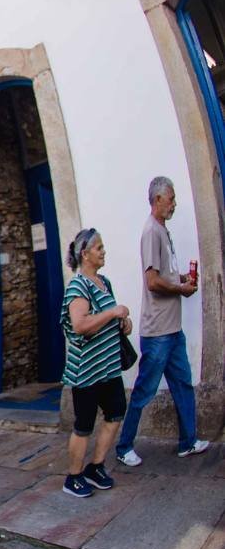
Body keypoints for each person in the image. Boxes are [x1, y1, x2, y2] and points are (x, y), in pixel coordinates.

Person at [114, 177, 209, 465]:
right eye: (171, 198)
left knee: (183, 384)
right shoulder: (151, 232)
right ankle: (123, 447)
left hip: (172, 329)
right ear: (157, 200)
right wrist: (180, 288)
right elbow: (153, 282)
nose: (174, 203)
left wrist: (180, 278)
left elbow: (163, 276)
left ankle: (188, 441)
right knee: (144, 390)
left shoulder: (162, 231)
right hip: (158, 333)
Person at [61, 229, 131, 497]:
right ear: (84, 253)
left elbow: (105, 320)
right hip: (87, 370)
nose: (103, 251)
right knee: (84, 424)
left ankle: (96, 466)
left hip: (108, 366)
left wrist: (122, 323)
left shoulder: (104, 282)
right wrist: (112, 312)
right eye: (99, 248)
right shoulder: (78, 286)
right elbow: (80, 325)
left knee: (115, 413)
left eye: (103, 246)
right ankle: (73, 477)